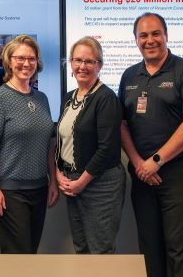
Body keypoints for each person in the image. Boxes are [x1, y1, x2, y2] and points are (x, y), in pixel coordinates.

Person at [118, 12, 183, 277]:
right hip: (143, 177)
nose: (150, 40)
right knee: (149, 248)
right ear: (135, 40)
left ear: (166, 35)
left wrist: (155, 162)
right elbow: (122, 125)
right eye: (143, 35)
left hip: (178, 175)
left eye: (156, 33)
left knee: (179, 250)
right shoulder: (129, 75)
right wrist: (138, 164)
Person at [0, 35, 58, 254]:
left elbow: (49, 144)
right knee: (18, 256)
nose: (26, 63)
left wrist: (52, 181)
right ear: (9, 61)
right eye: (20, 58)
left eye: (31, 59)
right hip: (10, 193)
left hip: (39, 189)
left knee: (31, 252)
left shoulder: (41, 98)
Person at [56, 36, 125, 254]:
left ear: (99, 65)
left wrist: (81, 182)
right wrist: (59, 173)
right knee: (82, 247)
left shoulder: (106, 98)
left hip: (100, 184)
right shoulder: (69, 97)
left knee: (100, 250)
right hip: (73, 182)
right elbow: (61, 139)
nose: (82, 66)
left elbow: (107, 148)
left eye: (89, 61)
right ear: (70, 63)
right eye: (77, 60)